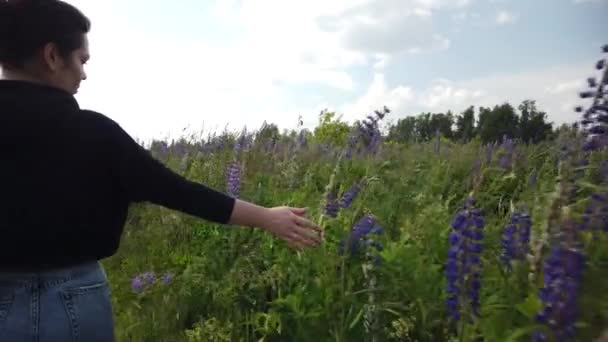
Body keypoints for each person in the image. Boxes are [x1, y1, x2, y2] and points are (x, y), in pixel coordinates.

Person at [0, 0, 323, 340]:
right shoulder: (94, 132)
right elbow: (179, 192)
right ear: (52, 57)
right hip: (77, 301)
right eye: (81, 60)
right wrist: (267, 217)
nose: (84, 73)